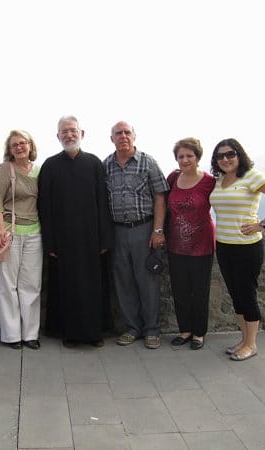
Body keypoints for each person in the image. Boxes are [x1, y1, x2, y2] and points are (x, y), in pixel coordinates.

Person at [210, 138, 265, 361]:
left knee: (247, 294)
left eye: (230, 154)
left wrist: (263, 224)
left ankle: (252, 344)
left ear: (239, 155)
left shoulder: (252, 176)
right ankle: (243, 340)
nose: (225, 159)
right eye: (220, 156)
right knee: (236, 295)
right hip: (224, 246)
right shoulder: (218, 180)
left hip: (247, 247)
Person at [38, 115, 114, 348]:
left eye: (73, 130)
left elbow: (103, 203)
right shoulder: (50, 166)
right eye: (64, 132)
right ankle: (68, 333)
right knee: (66, 288)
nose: (69, 135)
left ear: (81, 134)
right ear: (58, 136)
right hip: (62, 241)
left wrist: (104, 239)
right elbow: (45, 207)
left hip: (91, 239)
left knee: (93, 287)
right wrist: (49, 243)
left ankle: (94, 333)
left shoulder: (94, 164)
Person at [103, 121, 169, 349]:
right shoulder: (106, 166)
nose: (123, 136)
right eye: (118, 133)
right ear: (112, 138)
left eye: (127, 132)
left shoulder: (148, 162)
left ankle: (152, 330)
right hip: (117, 231)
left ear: (134, 136)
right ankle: (132, 328)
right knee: (123, 282)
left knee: (147, 281)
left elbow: (160, 197)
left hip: (144, 229)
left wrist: (158, 230)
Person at [0, 130, 42, 350]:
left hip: (35, 232)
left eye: (23, 143)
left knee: (31, 285)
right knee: (8, 286)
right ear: (9, 150)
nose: (20, 147)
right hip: (9, 233)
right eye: (14, 145)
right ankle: (12, 336)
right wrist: (0, 230)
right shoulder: (5, 169)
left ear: (30, 146)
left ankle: (31, 334)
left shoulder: (39, 170)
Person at [165, 138, 216, 350]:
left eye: (189, 156)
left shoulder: (209, 181)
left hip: (201, 244)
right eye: (180, 156)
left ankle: (199, 333)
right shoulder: (172, 178)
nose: (185, 160)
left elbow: (226, 201)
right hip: (175, 244)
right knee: (180, 289)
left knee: (199, 290)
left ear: (197, 157)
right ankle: (184, 330)